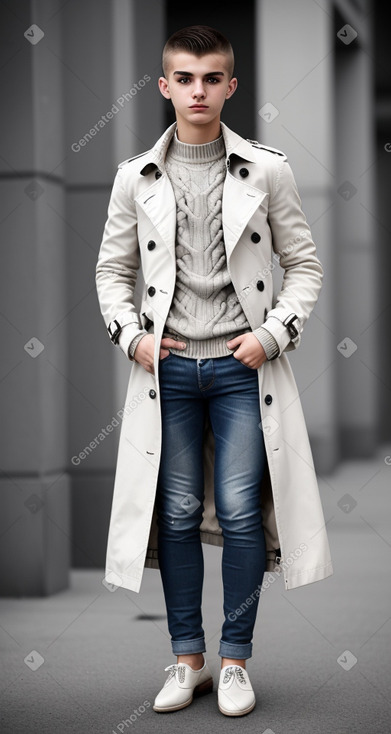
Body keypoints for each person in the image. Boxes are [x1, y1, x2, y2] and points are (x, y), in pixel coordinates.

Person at [95, 24, 333, 718]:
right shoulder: (133, 177)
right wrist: (131, 336)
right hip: (165, 370)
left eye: (211, 78)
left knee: (235, 512)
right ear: (164, 85)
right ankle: (184, 659)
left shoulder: (266, 169)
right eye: (184, 78)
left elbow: (304, 266)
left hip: (239, 369)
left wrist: (272, 333)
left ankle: (233, 663)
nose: (198, 91)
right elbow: (112, 270)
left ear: (230, 85)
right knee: (172, 512)